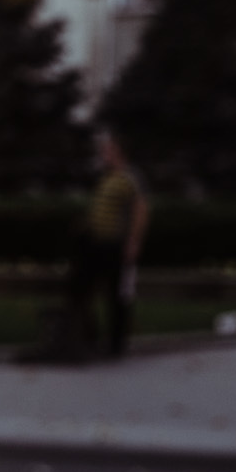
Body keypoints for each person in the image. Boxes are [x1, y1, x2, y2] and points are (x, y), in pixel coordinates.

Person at [67, 129, 150, 358]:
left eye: (108, 151)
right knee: (81, 290)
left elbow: (140, 210)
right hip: (95, 244)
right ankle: (90, 338)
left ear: (120, 153)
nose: (104, 155)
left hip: (115, 245)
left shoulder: (130, 177)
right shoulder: (107, 178)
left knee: (116, 296)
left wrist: (133, 242)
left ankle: (116, 345)